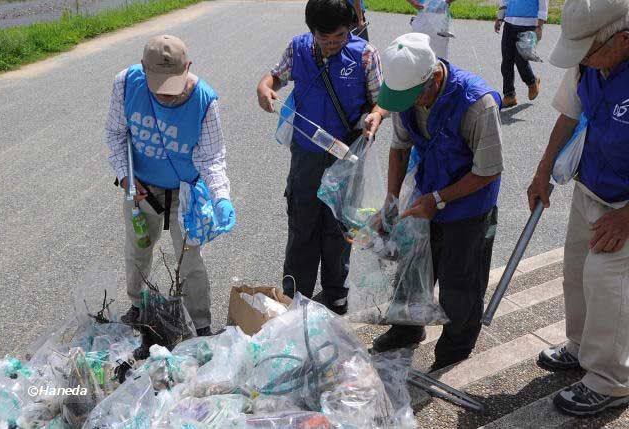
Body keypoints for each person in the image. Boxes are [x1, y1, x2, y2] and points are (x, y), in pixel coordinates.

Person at [370, 33, 504, 372]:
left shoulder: (477, 102)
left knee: (460, 281)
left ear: (435, 79)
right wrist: (390, 201)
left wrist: (439, 200)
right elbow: (399, 148)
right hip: (426, 195)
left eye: (414, 97)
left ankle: (454, 350)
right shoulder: (407, 97)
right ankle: (406, 329)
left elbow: (487, 171)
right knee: (411, 268)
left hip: (469, 204)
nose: (408, 104)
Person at [527, 0, 629, 416]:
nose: (582, 60)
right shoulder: (588, 63)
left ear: (623, 39)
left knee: (607, 284)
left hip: (624, 205)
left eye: (587, 51)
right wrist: (541, 171)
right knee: (575, 271)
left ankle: (611, 379)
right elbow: (569, 117)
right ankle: (581, 346)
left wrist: (626, 217)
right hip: (591, 186)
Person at [256, 0, 383, 314]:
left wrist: (375, 117)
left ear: (351, 27)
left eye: (339, 37)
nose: (331, 45)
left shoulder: (366, 54)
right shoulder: (298, 48)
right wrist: (264, 88)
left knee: (340, 225)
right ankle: (296, 295)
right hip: (307, 154)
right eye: (324, 39)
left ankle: (336, 293)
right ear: (311, 31)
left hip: (347, 154)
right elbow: (275, 77)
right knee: (302, 223)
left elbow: (382, 101)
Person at [105, 35, 234, 337]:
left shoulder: (204, 100)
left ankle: (199, 323)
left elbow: (212, 156)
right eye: (158, 86)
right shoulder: (125, 84)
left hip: (185, 191)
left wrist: (221, 197)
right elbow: (115, 134)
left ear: (187, 67)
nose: (165, 96)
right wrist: (126, 176)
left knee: (189, 259)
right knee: (138, 249)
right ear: (143, 68)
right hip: (142, 187)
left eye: (172, 87)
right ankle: (138, 306)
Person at [494, 0, 547, 107]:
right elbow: (505, 1)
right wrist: (500, 18)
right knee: (506, 62)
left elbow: (543, 4)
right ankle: (509, 95)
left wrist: (539, 26)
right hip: (509, 24)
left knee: (521, 61)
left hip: (528, 25)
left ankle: (532, 82)